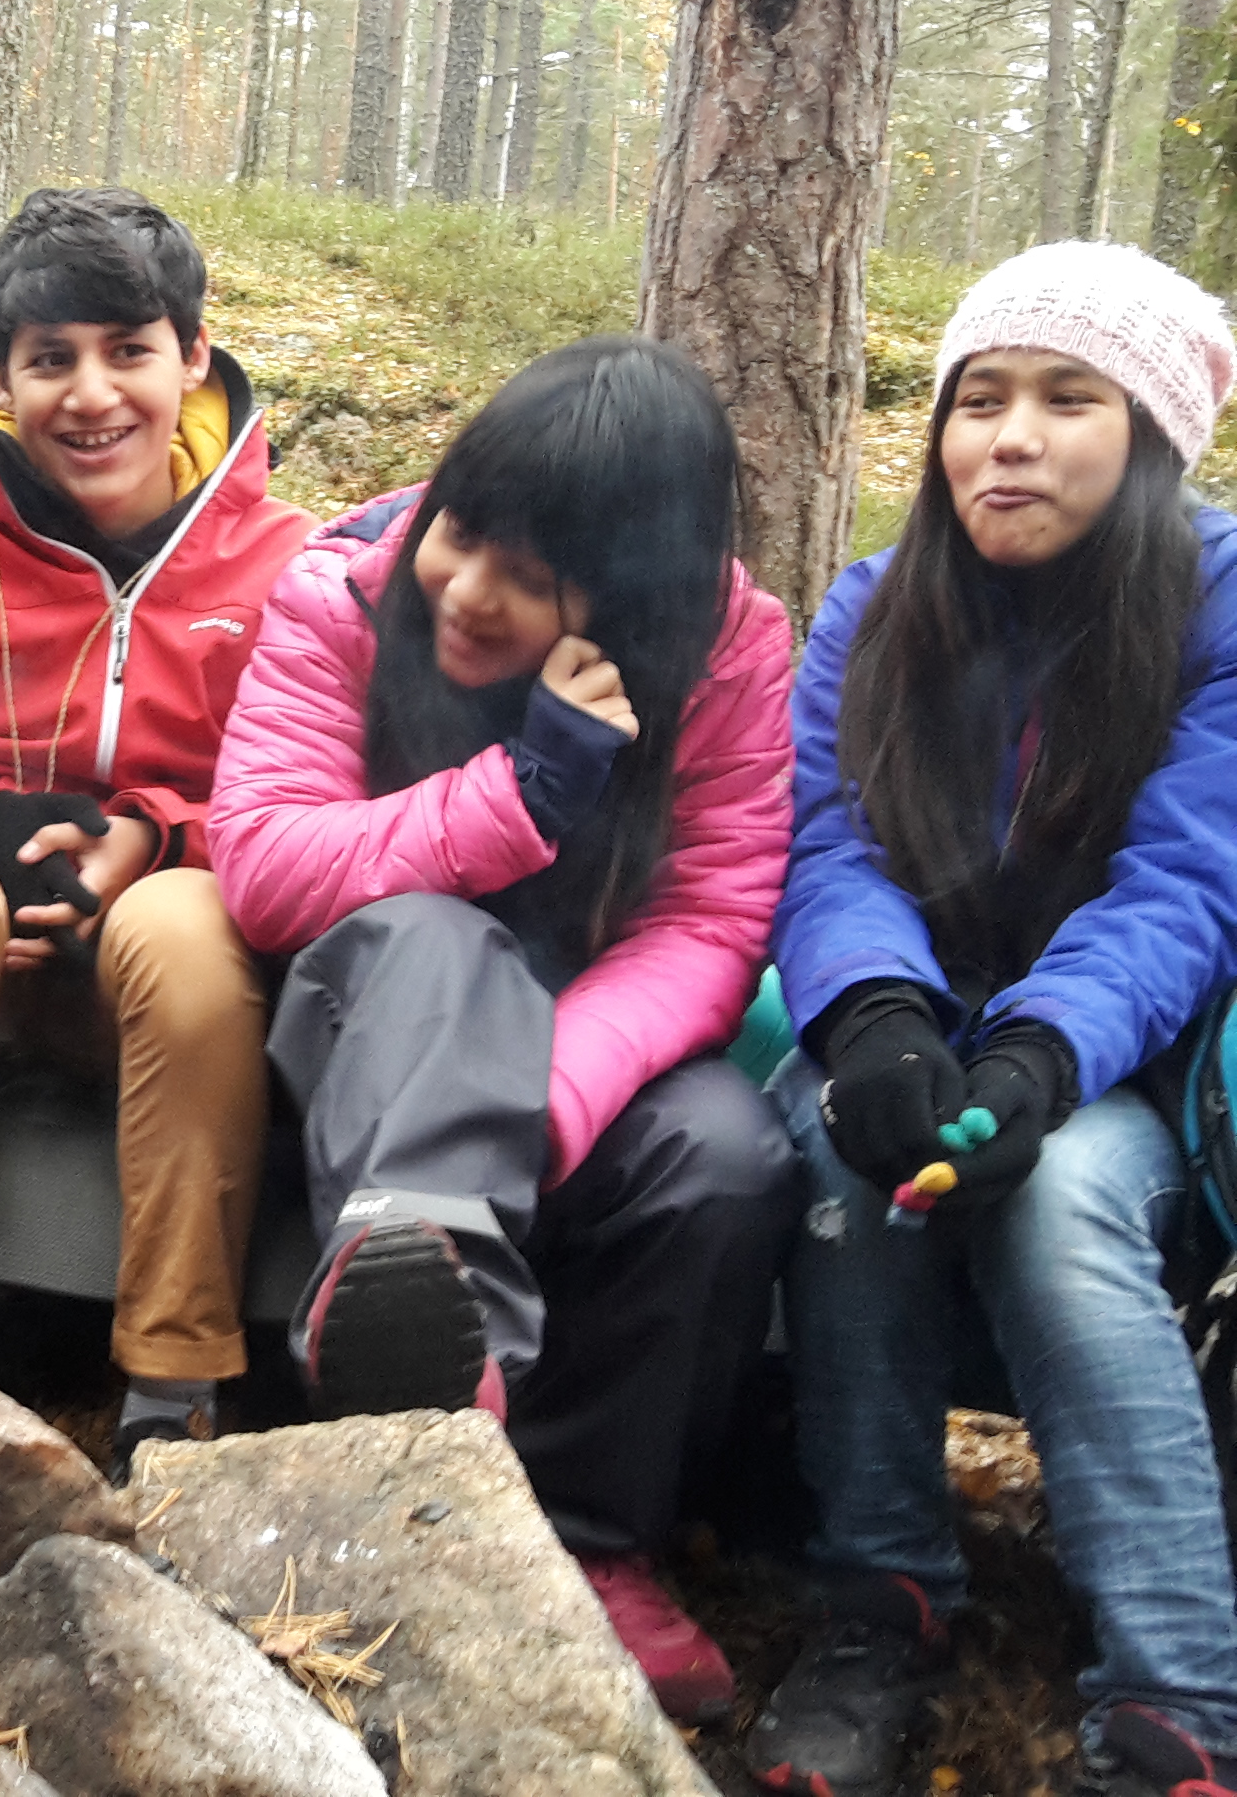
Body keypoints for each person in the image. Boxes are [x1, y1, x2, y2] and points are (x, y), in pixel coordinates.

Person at [207, 335, 798, 1721]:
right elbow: (268, 864)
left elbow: (709, 925)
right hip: (366, 1032)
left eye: (530, 579)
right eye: (460, 536)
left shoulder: (727, 656)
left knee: (726, 1153)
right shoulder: (342, 594)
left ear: (634, 605)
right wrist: (523, 792)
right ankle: (435, 1364)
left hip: (589, 1062)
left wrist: (549, 1096)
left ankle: (595, 1543)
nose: (465, 592)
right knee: (440, 940)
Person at [746, 243, 1237, 1797]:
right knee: (837, 1162)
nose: (1006, 437)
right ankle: (880, 1606)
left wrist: (1041, 1050)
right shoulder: (877, 608)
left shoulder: (1219, 600)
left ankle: (1177, 1702)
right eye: (979, 399)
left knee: (1068, 1193)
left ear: (1149, 435)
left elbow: (1191, 881)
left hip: (1139, 1064)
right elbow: (832, 844)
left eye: (1064, 400)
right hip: (926, 1025)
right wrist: (880, 1021)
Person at [0, 188, 315, 1448]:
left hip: (158, 977)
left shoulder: (287, 567)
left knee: (182, 925)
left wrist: (155, 835)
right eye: (50, 361)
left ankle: (174, 1385)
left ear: (193, 358)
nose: (91, 394)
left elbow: (309, 796)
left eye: (130, 351)